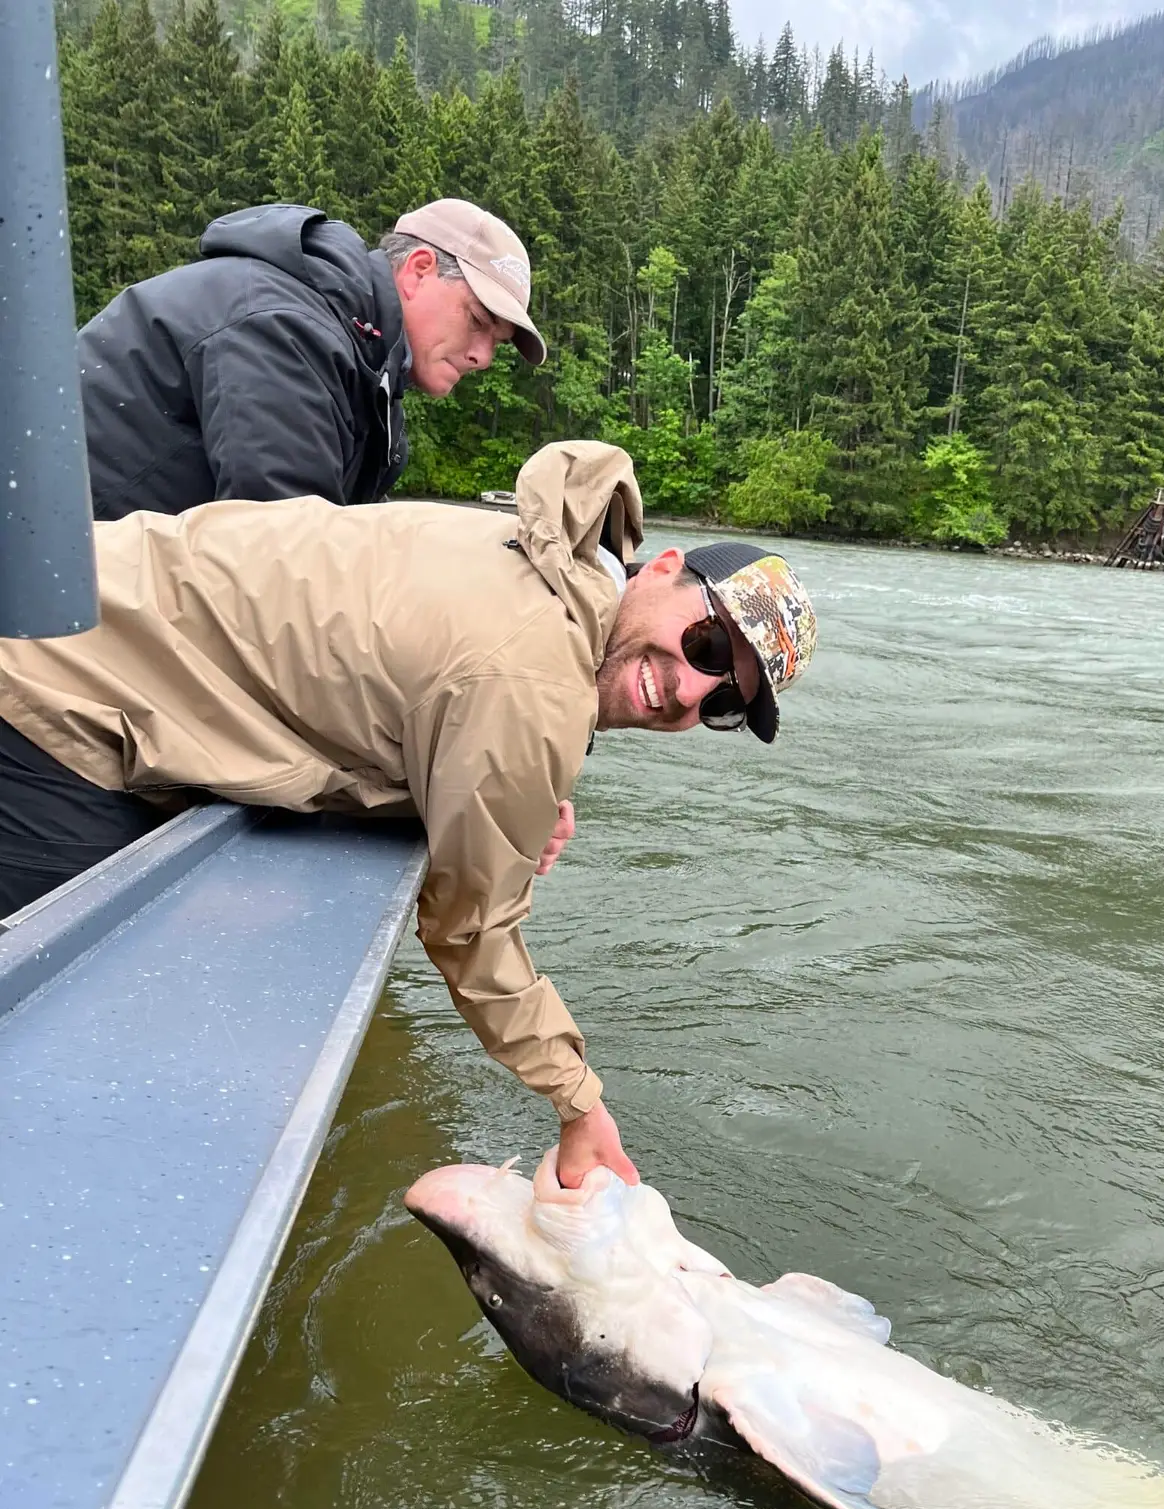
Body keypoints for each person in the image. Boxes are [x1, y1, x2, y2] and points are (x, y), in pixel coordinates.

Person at [0, 443, 818, 1187]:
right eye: (711, 647)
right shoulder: (534, 686)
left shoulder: (546, 551)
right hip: (58, 688)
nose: (689, 690)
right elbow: (469, 929)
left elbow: (406, 691)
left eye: (724, 706)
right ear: (664, 566)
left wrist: (483, 798)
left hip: (57, 584)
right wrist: (579, 1104)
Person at [77, 198, 545, 521]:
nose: (482, 356)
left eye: (498, 342)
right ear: (418, 271)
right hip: (43, 599)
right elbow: (286, 572)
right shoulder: (285, 332)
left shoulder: (367, 374)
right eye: (478, 321)